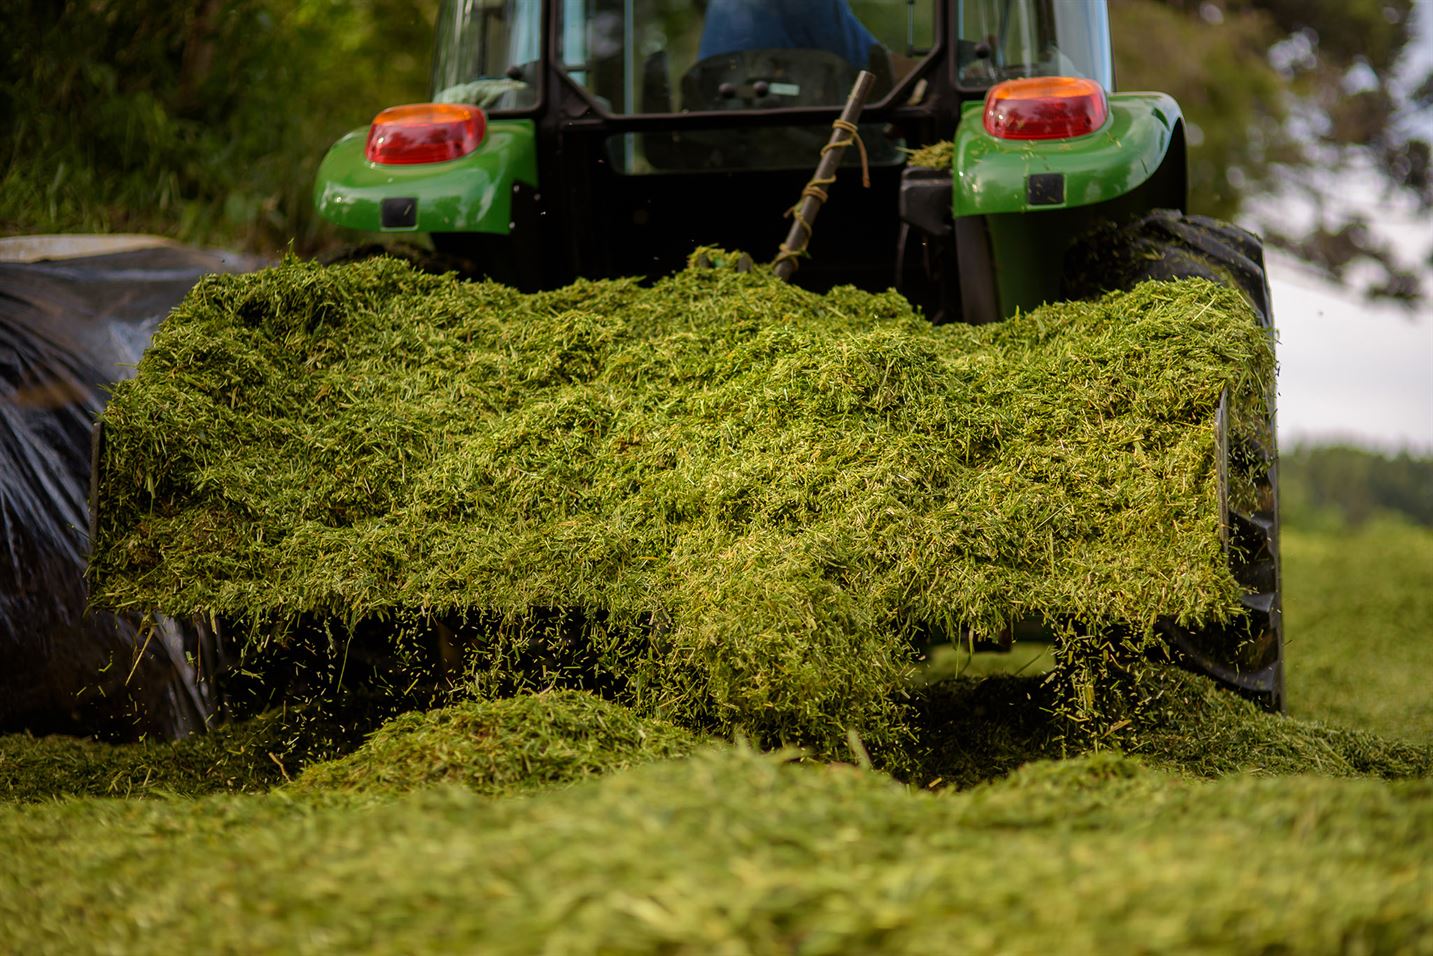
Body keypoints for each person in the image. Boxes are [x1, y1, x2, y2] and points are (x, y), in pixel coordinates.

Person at [697, 0, 883, 73]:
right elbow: (875, 65)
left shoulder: (720, 5)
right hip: (796, 142)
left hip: (720, 141)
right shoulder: (812, 5)